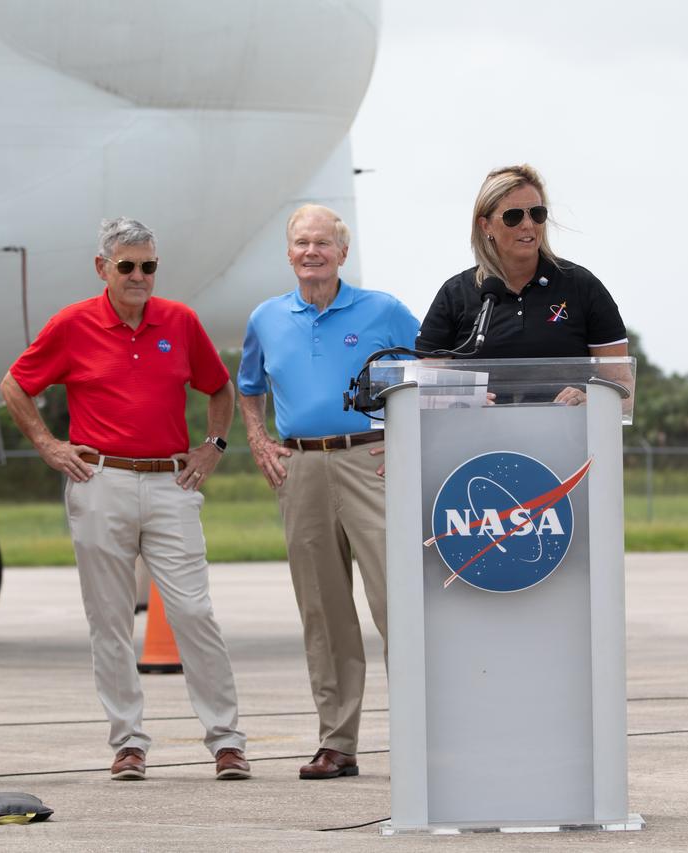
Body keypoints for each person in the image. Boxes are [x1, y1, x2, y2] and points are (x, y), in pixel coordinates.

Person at [0, 217, 250, 782]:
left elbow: (218, 386)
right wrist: (47, 444)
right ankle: (128, 742)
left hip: (170, 482)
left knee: (193, 611)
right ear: (102, 268)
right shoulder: (72, 325)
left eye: (149, 266)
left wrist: (212, 446)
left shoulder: (180, 322)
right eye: (128, 266)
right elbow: (15, 383)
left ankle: (227, 741)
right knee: (109, 620)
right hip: (100, 481)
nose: (140, 276)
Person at [238, 204, 420, 780]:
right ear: (288, 253)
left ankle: (423, 735)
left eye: (322, 242)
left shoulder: (383, 310)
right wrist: (259, 440)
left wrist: (408, 438)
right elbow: (248, 386)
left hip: (371, 459)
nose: (310, 251)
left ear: (343, 252)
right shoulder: (266, 317)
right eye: (300, 242)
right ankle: (337, 742)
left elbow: (434, 371)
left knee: (400, 603)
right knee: (323, 611)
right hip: (302, 470)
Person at [417, 164, 628, 400]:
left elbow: (623, 389)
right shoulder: (454, 295)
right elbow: (426, 390)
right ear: (485, 225)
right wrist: (464, 400)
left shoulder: (583, 287)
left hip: (565, 436)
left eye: (537, 213)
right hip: (479, 437)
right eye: (513, 216)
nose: (528, 225)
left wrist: (589, 400)